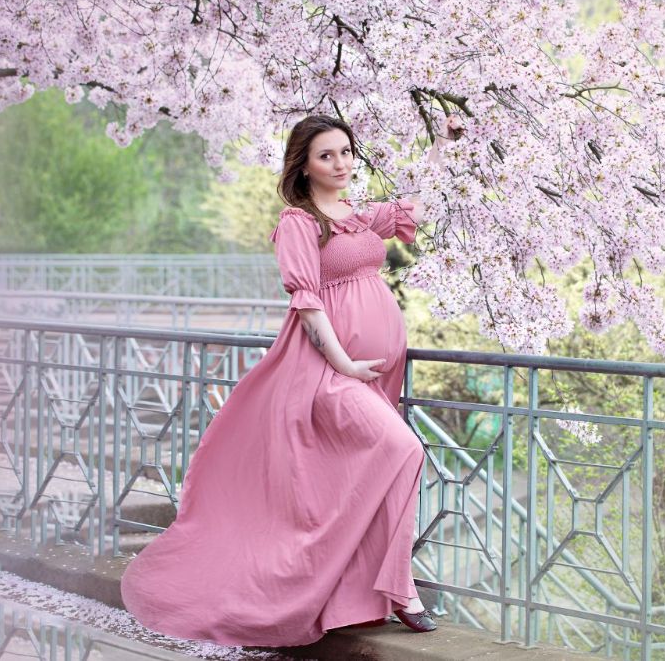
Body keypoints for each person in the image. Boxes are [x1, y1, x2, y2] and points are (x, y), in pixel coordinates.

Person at [119, 112, 464, 646]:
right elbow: (307, 305)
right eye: (327, 155)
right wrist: (344, 364)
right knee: (404, 450)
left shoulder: (355, 215)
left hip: (373, 373)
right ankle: (399, 588)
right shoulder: (300, 224)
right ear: (304, 166)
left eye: (346, 152)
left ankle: (371, 586)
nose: (341, 163)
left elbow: (418, 204)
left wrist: (442, 143)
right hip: (326, 371)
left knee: (378, 469)